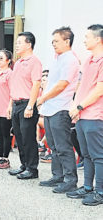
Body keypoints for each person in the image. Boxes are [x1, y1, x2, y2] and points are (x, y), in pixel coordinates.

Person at [37, 27, 79, 193]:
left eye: (56, 40)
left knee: (63, 146)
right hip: (50, 108)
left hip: (61, 108)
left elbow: (62, 84)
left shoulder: (70, 59)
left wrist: (43, 98)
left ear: (67, 41)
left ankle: (70, 180)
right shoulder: (57, 58)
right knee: (53, 145)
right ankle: (57, 175)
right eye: (52, 41)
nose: (53, 44)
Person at [68, 24, 103, 206]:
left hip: (94, 115)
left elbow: (99, 89)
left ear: (98, 39)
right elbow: (80, 86)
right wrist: (74, 107)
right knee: (86, 154)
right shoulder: (88, 59)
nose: (84, 40)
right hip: (81, 115)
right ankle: (87, 187)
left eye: (87, 37)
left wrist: (80, 106)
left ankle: (100, 191)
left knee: (98, 156)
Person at [7, 32, 42, 180]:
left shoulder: (34, 61)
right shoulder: (18, 63)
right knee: (19, 137)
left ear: (29, 44)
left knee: (28, 138)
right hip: (16, 103)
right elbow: (15, 85)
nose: (17, 45)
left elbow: (36, 84)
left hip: (27, 104)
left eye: (19, 42)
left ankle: (32, 169)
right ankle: (24, 164)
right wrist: (10, 105)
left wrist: (30, 106)